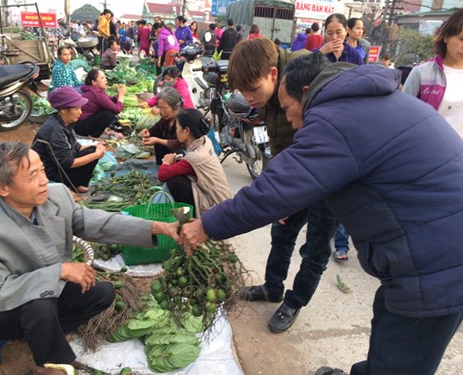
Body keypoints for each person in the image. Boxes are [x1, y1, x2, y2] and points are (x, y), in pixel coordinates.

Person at [182, 51, 463, 375]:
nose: (289, 120)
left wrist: (207, 226)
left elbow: (272, 190)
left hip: (438, 263)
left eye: (288, 109)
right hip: (428, 248)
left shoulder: (337, 119)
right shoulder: (369, 102)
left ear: (306, 93)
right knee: (391, 328)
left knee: (403, 360)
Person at [0, 141, 180, 375]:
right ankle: (47, 366)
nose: (44, 180)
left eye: (43, 170)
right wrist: (59, 271)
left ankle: (45, 335)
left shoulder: (54, 196)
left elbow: (96, 223)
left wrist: (156, 227)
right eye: (32, 175)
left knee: (102, 293)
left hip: (47, 293)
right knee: (39, 305)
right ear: (2, 188)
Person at [225, 37, 338, 333]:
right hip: (297, 175)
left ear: (273, 75)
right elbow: (275, 142)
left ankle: (294, 301)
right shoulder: (265, 97)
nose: (248, 98)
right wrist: (280, 193)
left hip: (329, 177)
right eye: (242, 91)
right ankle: (272, 287)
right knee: (282, 230)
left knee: (315, 249)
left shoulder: (309, 75)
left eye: (252, 90)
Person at [157, 108, 231, 217]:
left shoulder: (195, 157)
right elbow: (178, 144)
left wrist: (166, 163)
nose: (176, 131)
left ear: (186, 131)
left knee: (175, 182)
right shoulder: (204, 140)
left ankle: (187, 219)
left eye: (177, 128)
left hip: (216, 205)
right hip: (222, 198)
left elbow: (162, 175)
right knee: (177, 153)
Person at [32, 86, 105, 193]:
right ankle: (68, 186)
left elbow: (76, 146)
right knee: (93, 153)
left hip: (58, 165)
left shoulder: (65, 122)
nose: (80, 112)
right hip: (49, 173)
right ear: (63, 110)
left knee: (93, 149)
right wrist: (96, 155)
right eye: (77, 108)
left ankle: (77, 184)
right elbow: (67, 163)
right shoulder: (54, 129)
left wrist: (95, 146)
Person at [403, 8, 463, 136]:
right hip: (426, 149)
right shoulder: (422, 73)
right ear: (446, 37)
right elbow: (402, 115)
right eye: (461, 39)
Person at [74, 69, 126, 138]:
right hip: (81, 127)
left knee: (107, 112)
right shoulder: (97, 94)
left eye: (105, 77)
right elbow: (117, 109)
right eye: (102, 78)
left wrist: (117, 96)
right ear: (94, 82)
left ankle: (93, 134)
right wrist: (121, 95)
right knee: (109, 114)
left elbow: (108, 101)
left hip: (80, 124)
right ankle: (94, 136)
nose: (105, 79)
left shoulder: (94, 90)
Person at [139, 87, 183, 165]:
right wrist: (148, 132)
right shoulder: (166, 119)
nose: (161, 112)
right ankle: (160, 166)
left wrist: (158, 140)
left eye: (164, 108)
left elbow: (181, 143)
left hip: (184, 157)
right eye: (160, 108)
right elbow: (157, 128)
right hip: (167, 158)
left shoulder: (184, 120)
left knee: (176, 151)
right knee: (159, 141)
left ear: (175, 107)